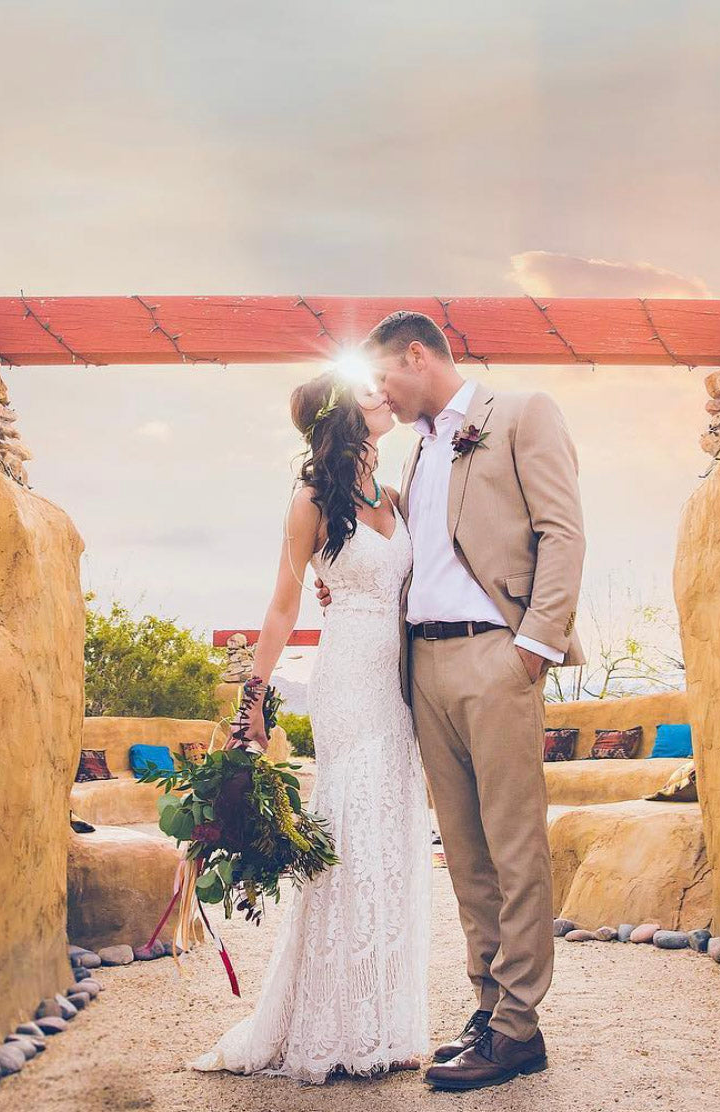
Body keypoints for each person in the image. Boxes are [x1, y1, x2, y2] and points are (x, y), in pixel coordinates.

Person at [317, 311, 586, 1091]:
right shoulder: (419, 449)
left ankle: (518, 1027)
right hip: (423, 665)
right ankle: (488, 1008)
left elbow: (563, 532)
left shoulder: (522, 414)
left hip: (494, 655)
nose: (382, 398)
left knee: (514, 846)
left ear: (416, 355)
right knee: (465, 855)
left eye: (383, 379)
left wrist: (533, 646)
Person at [189, 370, 432, 1084]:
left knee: (392, 837)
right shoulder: (310, 502)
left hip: (402, 686)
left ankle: (385, 1021)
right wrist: (252, 703)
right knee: (351, 836)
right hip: (350, 681)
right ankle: (334, 1024)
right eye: (368, 391)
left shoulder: (388, 497)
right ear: (338, 419)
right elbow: (282, 605)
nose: (384, 394)